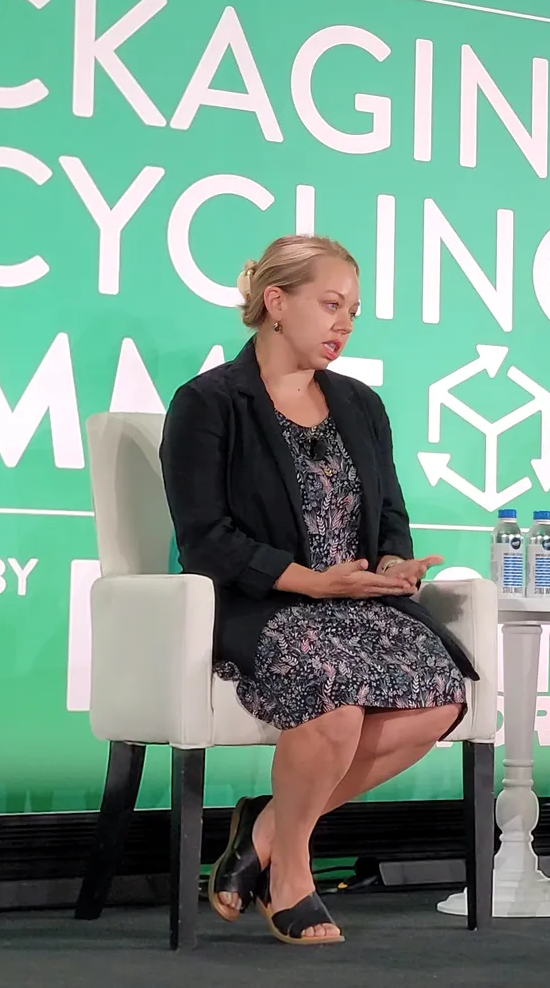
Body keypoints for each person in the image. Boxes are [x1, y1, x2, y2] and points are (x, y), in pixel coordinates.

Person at [159, 234, 480, 944]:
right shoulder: (210, 403)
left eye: (353, 311)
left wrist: (392, 564)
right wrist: (310, 581)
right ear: (276, 302)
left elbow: (390, 514)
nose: (344, 324)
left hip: (357, 601)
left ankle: (267, 826)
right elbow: (205, 538)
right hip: (263, 602)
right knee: (333, 699)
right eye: (331, 305)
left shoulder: (360, 404)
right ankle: (291, 873)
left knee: (444, 695)